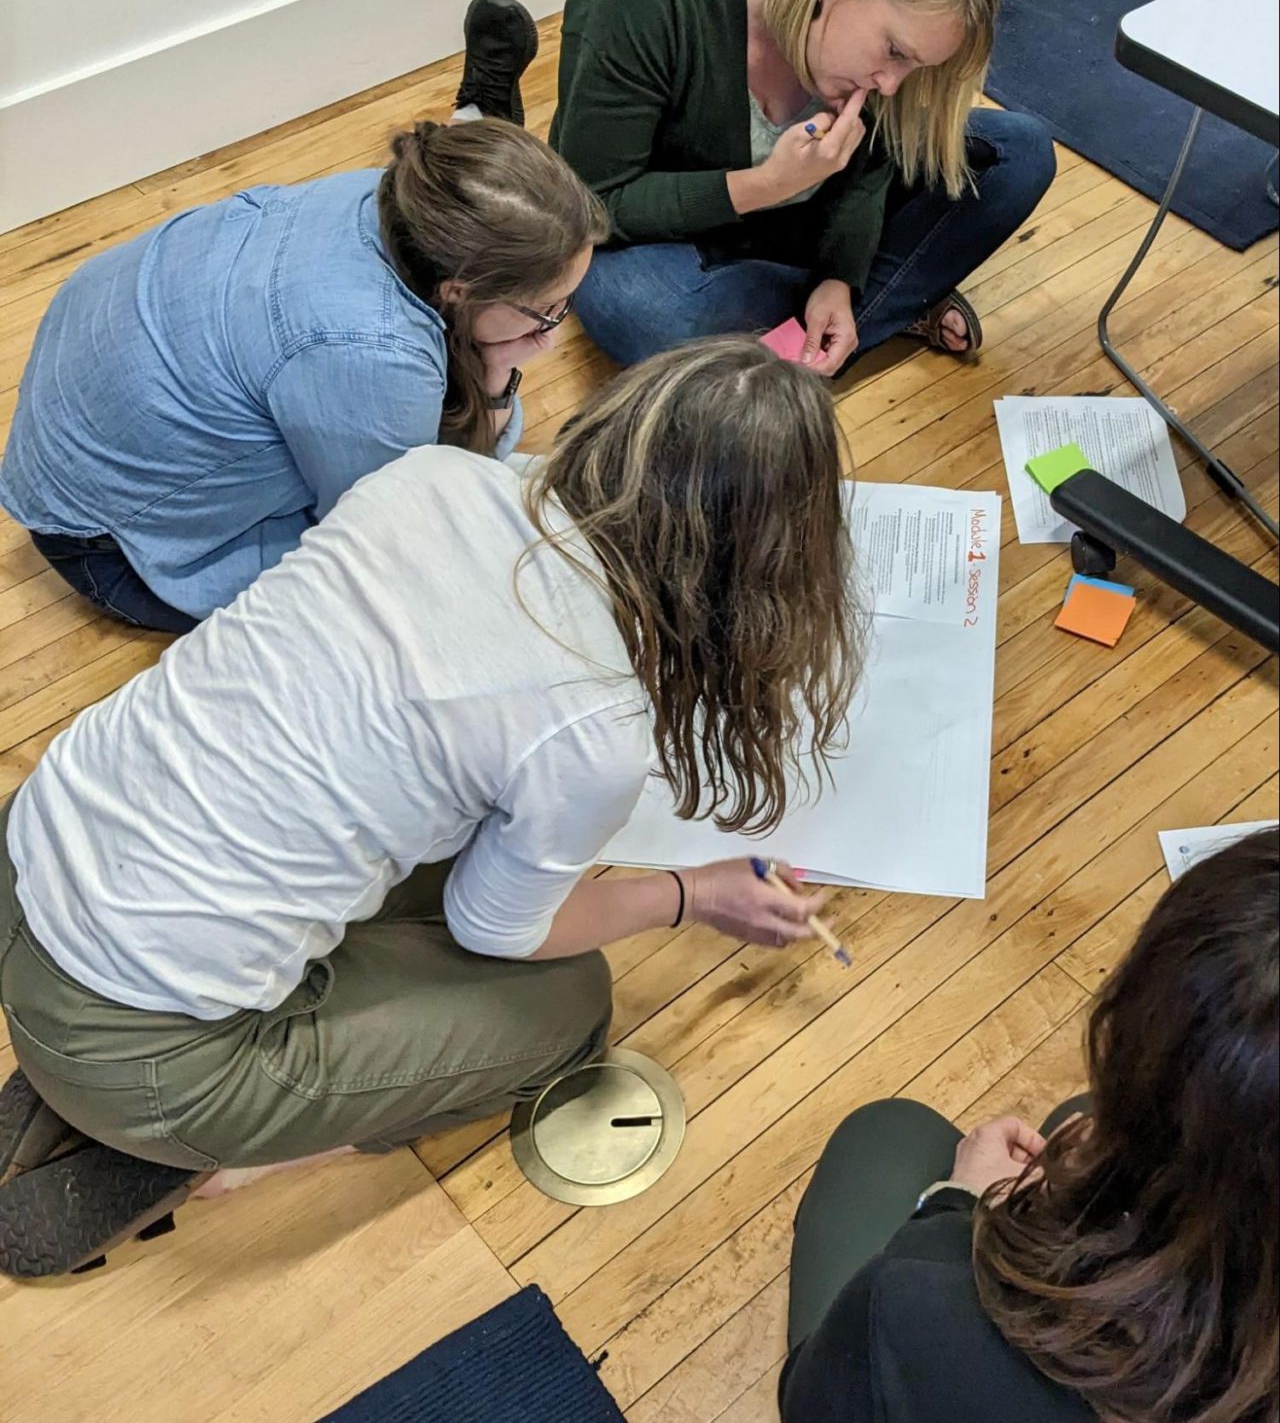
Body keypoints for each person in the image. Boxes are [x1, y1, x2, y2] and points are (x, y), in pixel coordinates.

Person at [0, 337, 866, 1278]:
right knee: (568, 1010)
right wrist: (688, 896)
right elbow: (499, 931)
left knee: (445, 851)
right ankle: (228, 1151)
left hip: (33, 857)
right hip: (150, 1053)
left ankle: (134, 1072)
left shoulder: (433, 478)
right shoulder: (597, 723)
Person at [0, 120, 604, 632]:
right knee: (434, 578)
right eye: (546, 309)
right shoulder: (369, 351)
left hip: (74, 424)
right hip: (107, 548)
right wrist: (497, 372)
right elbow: (391, 520)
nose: (552, 331)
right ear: (458, 289)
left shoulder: (384, 198)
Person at [455, 0, 1057, 374]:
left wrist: (839, 279)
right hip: (664, 230)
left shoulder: (872, 42)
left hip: (794, 226)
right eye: (894, 52)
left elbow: (869, 164)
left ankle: (783, 349)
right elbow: (594, 203)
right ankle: (872, 309)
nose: (892, 83)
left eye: (915, 67)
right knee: (647, 313)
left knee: (1019, 155)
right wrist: (768, 184)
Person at [779, 825, 1279, 1422]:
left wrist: (954, 1207)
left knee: (887, 1133)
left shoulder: (919, 1307)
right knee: (1072, 1120)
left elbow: (812, 1401)